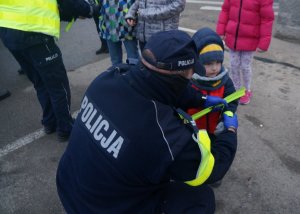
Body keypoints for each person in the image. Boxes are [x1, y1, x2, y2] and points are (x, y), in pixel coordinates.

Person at [56, 30, 238, 213]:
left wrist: (202, 100)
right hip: (101, 208)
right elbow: (212, 168)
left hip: (69, 185)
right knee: (201, 198)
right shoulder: (162, 135)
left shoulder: (108, 77)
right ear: (178, 77)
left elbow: (162, 86)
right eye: (190, 75)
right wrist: (229, 131)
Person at [0, 0, 99, 141]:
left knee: (40, 82)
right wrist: (89, 10)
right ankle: (65, 127)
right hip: (34, 34)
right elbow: (69, 3)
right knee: (58, 85)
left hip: (9, 34)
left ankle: (49, 122)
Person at [216, 0, 275, 105]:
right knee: (233, 65)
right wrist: (221, 30)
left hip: (250, 39)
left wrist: (263, 43)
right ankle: (236, 88)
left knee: (245, 66)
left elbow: (267, 19)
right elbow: (225, 10)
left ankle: (246, 90)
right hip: (233, 38)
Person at [187, 27, 238, 141]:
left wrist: (225, 118)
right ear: (197, 63)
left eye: (218, 62)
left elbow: (231, 101)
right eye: (209, 64)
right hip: (192, 130)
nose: (214, 68)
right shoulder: (189, 81)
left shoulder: (225, 81)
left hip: (214, 130)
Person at [98, 0, 139, 65]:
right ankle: (117, 73)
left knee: (133, 59)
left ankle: (134, 74)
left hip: (127, 25)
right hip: (109, 24)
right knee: (115, 60)